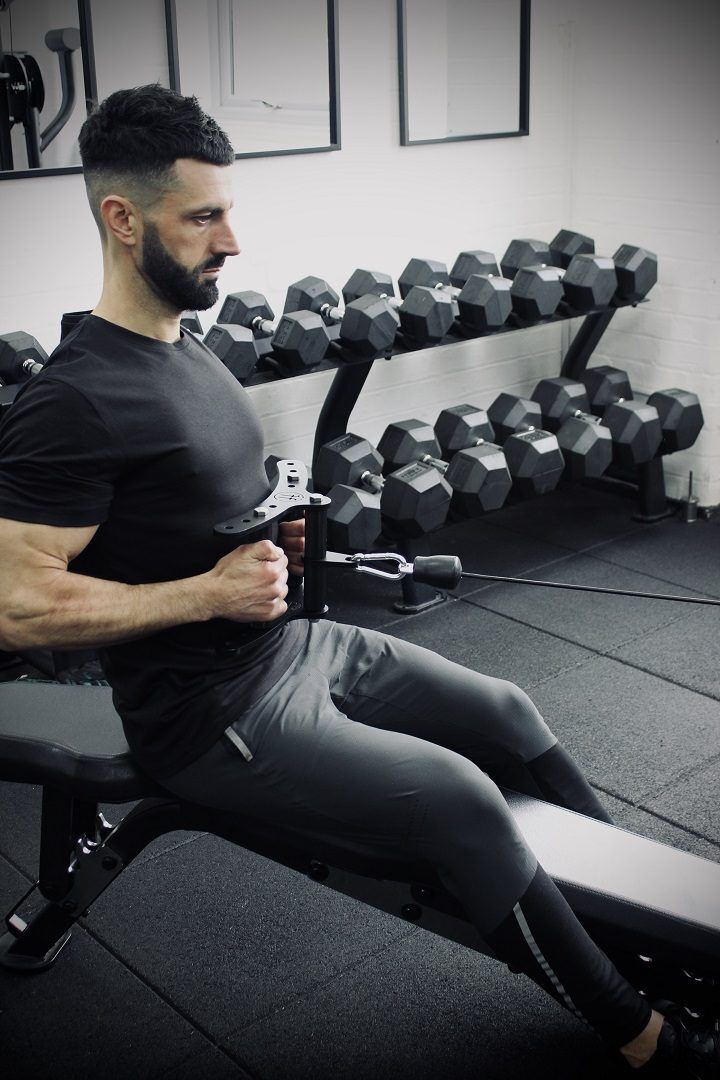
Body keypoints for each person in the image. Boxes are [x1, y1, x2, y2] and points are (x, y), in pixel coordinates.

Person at [0, 85, 715, 1078]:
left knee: (507, 711)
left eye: (228, 211)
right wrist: (204, 595)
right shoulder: (70, 398)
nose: (232, 240)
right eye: (203, 217)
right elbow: (17, 604)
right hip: (209, 716)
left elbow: (186, 514)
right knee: (459, 800)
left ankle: (645, 940)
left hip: (293, 645)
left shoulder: (185, 345)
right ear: (122, 220)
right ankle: (643, 1033)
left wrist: (281, 535)